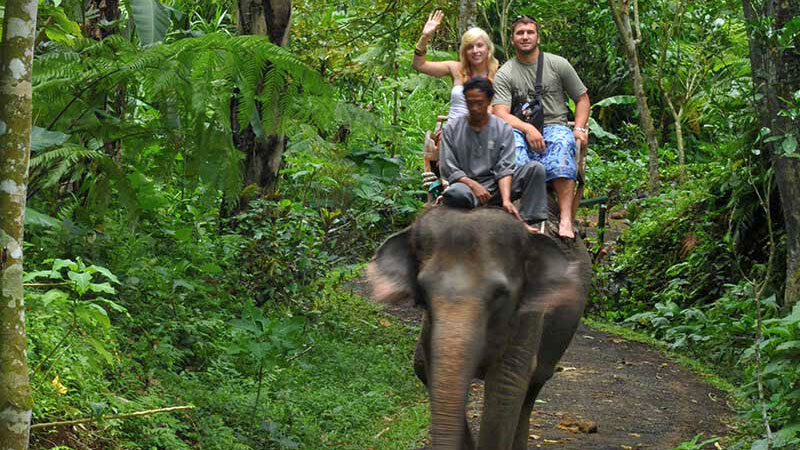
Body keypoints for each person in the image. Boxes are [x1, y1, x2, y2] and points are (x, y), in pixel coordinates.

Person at [491, 15, 590, 239]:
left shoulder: (558, 64)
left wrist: (580, 128)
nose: (525, 37)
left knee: (563, 146)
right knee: (512, 149)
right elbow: (500, 113)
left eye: (529, 32)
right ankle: (520, 214)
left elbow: (582, 99)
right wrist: (527, 129)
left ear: (538, 37)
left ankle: (565, 219)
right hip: (520, 128)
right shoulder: (506, 72)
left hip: (555, 124)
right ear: (512, 39)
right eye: (520, 33)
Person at [439, 76, 547, 234]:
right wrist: (473, 186)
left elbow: (504, 167)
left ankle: (525, 222)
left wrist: (506, 200)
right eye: (470, 103)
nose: (475, 108)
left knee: (535, 169)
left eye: (479, 103)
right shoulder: (452, 128)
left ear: (489, 101)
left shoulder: (503, 128)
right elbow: (448, 167)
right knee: (456, 193)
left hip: (495, 186)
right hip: (466, 186)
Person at [412, 10, 499, 121]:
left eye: (480, 45)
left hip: (483, 132)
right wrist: (425, 37)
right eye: (470, 47)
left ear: (488, 48)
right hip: (452, 131)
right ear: (464, 51)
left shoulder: (498, 74)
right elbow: (419, 65)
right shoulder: (456, 68)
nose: (475, 50)